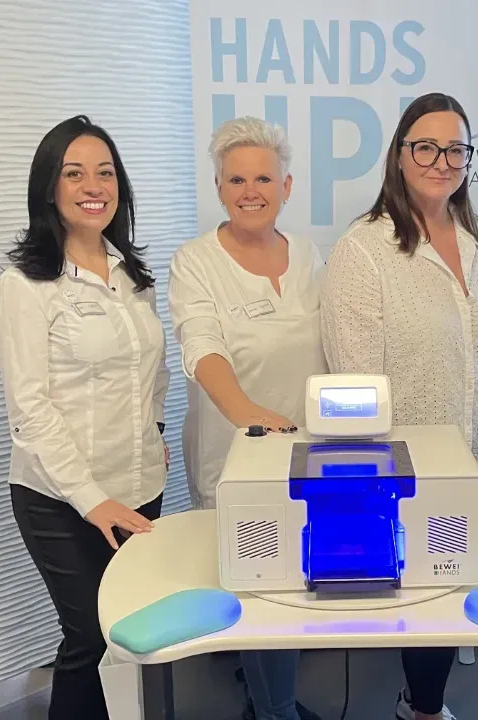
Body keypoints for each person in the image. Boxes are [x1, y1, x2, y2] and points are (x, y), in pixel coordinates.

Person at [320, 92, 478, 720]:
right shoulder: (365, 249)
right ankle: (421, 708)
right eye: (426, 147)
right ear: (400, 155)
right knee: (429, 598)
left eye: (456, 149)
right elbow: (355, 382)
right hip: (412, 466)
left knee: (469, 591)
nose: (441, 161)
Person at [0, 115, 170, 720]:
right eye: (74, 173)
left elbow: (152, 369)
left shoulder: (131, 275)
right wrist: (93, 501)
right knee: (91, 638)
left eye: (105, 172)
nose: (94, 186)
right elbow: (29, 411)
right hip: (61, 498)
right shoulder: (24, 285)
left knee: (130, 631)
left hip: (139, 486)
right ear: (49, 187)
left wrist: (156, 431)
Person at [168, 116, 324, 720]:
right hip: (235, 456)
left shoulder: (310, 255)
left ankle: (272, 698)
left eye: (263, 178)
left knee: (294, 583)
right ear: (218, 188)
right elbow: (201, 347)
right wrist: (251, 417)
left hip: (306, 455)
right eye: (236, 180)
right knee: (260, 589)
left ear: (287, 186)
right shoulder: (196, 261)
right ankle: (276, 710)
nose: (250, 191)